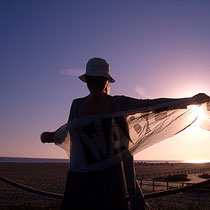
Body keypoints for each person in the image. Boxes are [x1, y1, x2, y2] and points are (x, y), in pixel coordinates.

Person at [41, 57, 209, 210]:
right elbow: (70, 128)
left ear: (106, 81)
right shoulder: (76, 104)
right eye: (92, 80)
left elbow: (152, 105)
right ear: (87, 81)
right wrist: (53, 135)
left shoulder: (118, 103)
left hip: (109, 174)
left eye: (100, 79)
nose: (95, 83)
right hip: (79, 174)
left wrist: (188, 101)